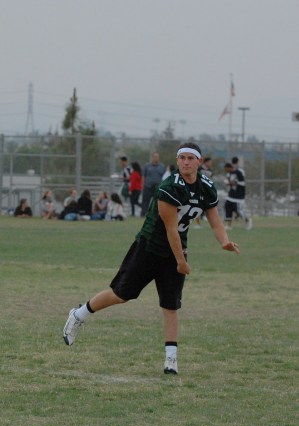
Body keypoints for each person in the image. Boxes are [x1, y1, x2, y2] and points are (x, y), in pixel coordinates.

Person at [63, 142, 240, 375]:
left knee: (171, 305)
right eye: (182, 158)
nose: (186, 162)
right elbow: (171, 230)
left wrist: (223, 240)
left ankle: (171, 360)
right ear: (177, 161)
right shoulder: (168, 187)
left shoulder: (206, 187)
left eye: (191, 158)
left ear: (199, 161)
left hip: (176, 251)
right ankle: (78, 315)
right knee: (120, 295)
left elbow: (214, 219)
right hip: (149, 248)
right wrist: (181, 262)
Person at [224, 159, 252, 230]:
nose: (226, 171)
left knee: (239, 210)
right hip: (231, 195)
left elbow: (242, 183)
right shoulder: (229, 174)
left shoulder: (238, 173)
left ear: (230, 167)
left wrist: (234, 183)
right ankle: (229, 225)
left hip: (239, 196)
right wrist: (228, 183)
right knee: (227, 206)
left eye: (226, 169)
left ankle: (248, 220)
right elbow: (228, 182)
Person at [194, 157, 213, 229]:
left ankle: (205, 217)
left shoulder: (211, 171)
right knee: (196, 205)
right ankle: (198, 224)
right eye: (210, 162)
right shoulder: (199, 169)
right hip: (198, 190)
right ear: (206, 162)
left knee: (206, 206)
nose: (211, 164)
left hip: (206, 191)